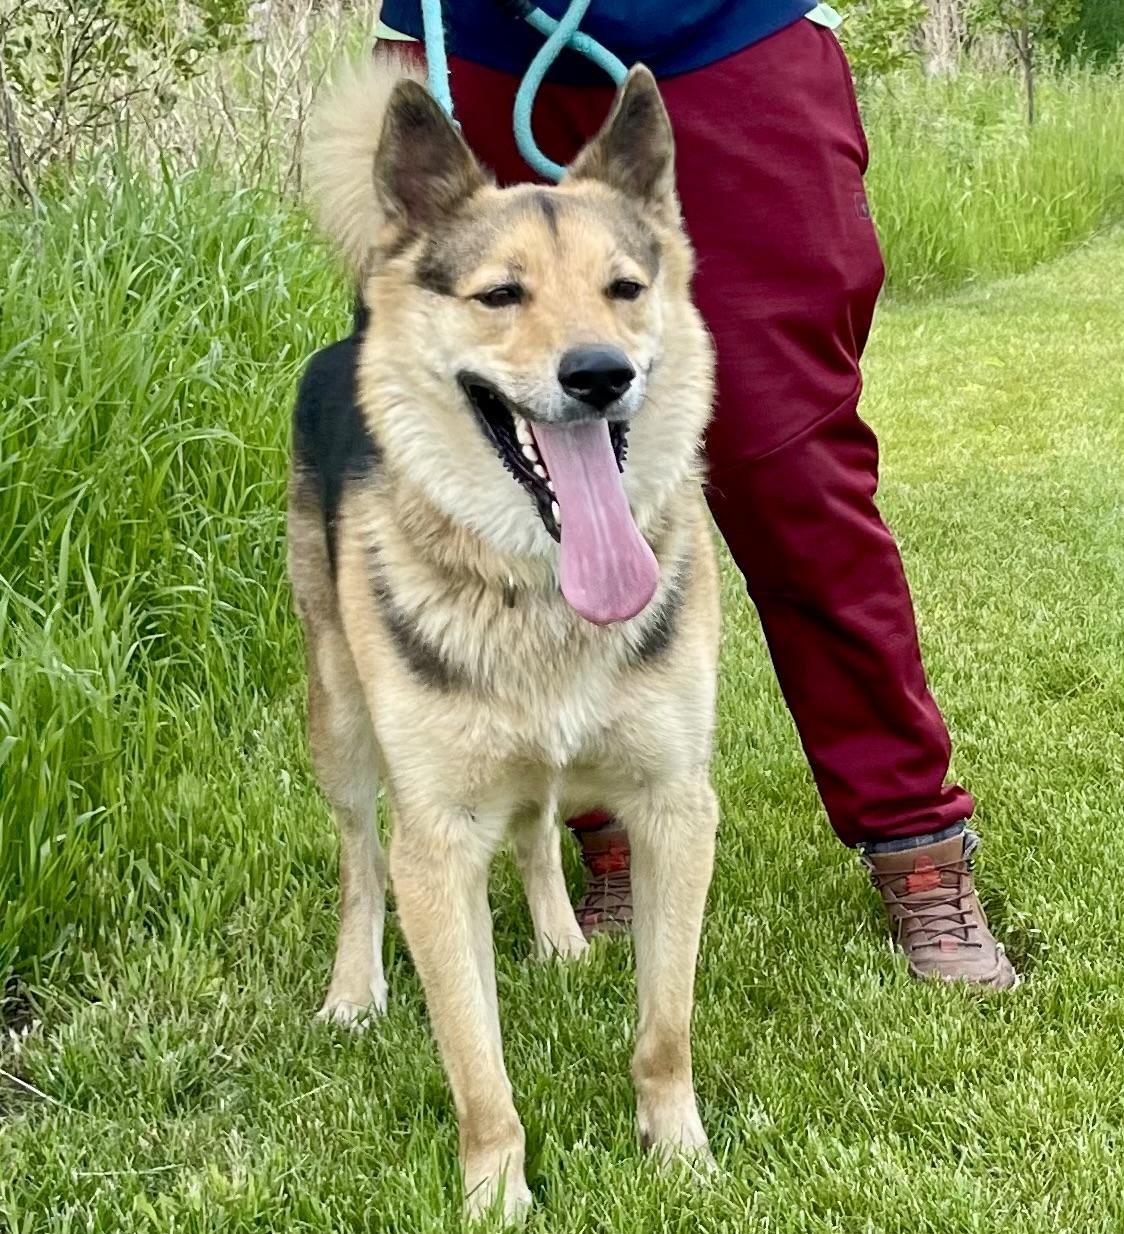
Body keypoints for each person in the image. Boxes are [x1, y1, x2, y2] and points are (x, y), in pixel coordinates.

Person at [376, 0, 1017, 989]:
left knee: (792, 470)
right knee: (496, 470)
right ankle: (605, 825)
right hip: (475, 40)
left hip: (724, 40)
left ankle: (911, 838)